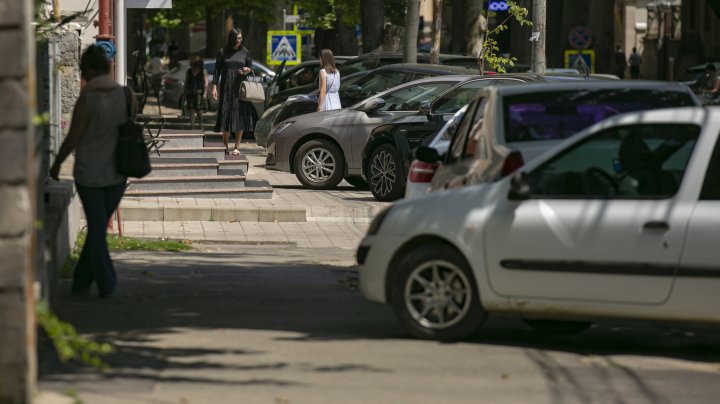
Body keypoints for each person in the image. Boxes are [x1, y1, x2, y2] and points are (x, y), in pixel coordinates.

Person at [49, 45, 132, 298]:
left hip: (89, 175)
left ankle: (108, 283)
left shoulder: (87, 100)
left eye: (84, 70)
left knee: (96, 229)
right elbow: (129, 131)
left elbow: (72, 138)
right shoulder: (127, 95)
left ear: (90, 71)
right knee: (97, 228)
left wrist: (56, 164)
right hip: (118, 174)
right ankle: (80, 281)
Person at [212, 28, 257, 155]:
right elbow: (217, 71)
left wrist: (247, 70)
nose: (240, 40)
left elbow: (251, 67)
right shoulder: (222, 52)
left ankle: (237, 146)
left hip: (240, 88)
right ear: (232, 38)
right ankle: (225, 145)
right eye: (237, 38)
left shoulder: (245, 52)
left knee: (239, 116)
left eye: (241, 38)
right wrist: (214, 87)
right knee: (225, 114)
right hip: (226, 87)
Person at [184, 55, 208, 129]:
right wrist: (185, 94)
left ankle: (200, 124)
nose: (194, 66)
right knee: (191, 109)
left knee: (199, 110)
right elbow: (186, 83)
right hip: (190, 93)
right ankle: (192, 126)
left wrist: (205, 93)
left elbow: (206, 83)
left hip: (199, 93)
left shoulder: (203, 71)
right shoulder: (189, 71)